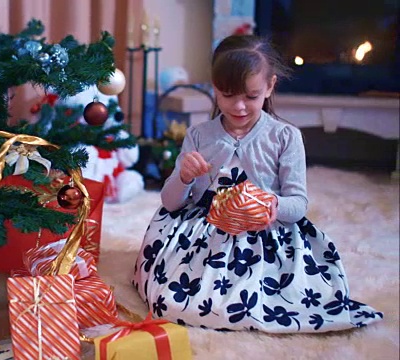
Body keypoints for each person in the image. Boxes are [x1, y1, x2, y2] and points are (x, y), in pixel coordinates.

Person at [132, 35, 383, 333]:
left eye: (251, 96)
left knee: (279, 301)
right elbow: (171, 203)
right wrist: (184, 176)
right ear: (214, 89)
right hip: (203, 234)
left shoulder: (285, 137)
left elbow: (298, 206)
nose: (239, 106)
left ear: (270, 86)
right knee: (168, 300)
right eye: (227, 95)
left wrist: (271, 204)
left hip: (264, 234)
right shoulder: (199, 135)